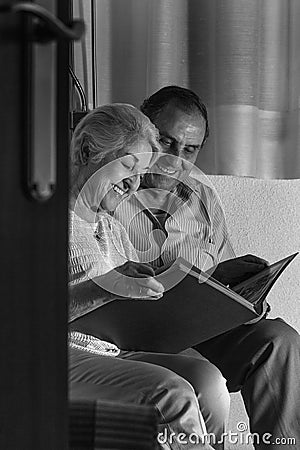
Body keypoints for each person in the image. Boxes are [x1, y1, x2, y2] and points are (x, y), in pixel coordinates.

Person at [114, 86, 300, 449]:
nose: (175, 160)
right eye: (165, 142)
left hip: (203, 326)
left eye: (190, 149)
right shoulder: (108, 186)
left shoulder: (202, 196)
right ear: (141, 127)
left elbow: (221, 274)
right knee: (203, 374)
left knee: (281, 342)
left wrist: (246, 298)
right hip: (142, 332)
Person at [68, 103, 230, 450]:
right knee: (171, 394)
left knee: (208, 379)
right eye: (127, 165)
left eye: (141, 171)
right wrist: (105, 287)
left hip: (110, 350)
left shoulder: (111, 227)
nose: (134, 183)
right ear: (85, 151)